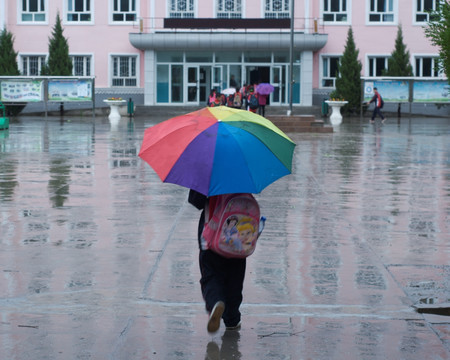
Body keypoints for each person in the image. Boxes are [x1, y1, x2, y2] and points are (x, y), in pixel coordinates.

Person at [188, 189, 246, 333]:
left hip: (211, 236)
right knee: (235, 279)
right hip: (236, 238)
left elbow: (196, 201)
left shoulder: (206, 171)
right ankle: (232, 319)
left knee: (211, 275)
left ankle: (215, 302)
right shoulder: (243, 171)